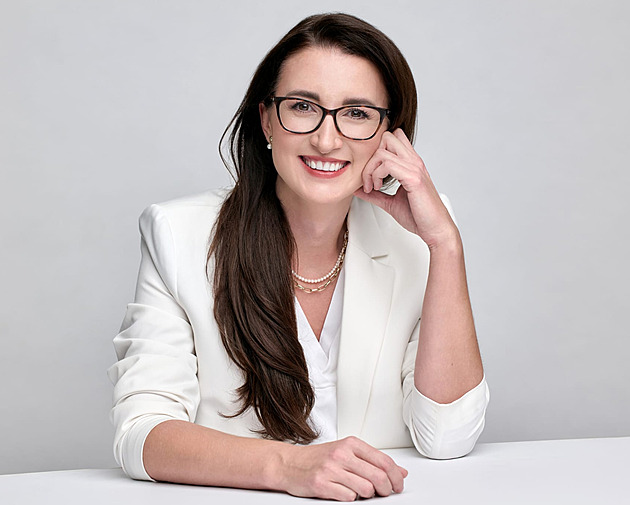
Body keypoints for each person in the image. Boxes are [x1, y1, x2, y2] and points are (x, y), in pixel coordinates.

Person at [108, 12, 489, 502]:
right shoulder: (178, 235)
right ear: (267, 119)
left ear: (389, 134)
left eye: (357, 113)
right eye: (303, 107)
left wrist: (445, 245)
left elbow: (448, 437)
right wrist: (289, 467)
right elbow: (141, 433)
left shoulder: (418, 237)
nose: (327, 139)